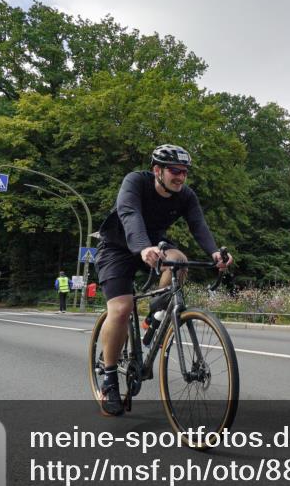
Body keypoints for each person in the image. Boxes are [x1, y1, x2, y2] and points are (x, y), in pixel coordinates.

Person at [94, 144, 233, 416]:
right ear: (157, 170)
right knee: (121, 309)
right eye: (174, 171)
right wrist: (143, 247)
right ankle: (109, 379)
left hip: (155, 246)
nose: (180, 177)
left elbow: (198, 225)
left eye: (184, 172)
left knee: (179, 261)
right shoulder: (135, 182)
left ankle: (154, 319)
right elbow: (129, 214)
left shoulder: (186, 196)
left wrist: (215, 253)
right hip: (118, 246)